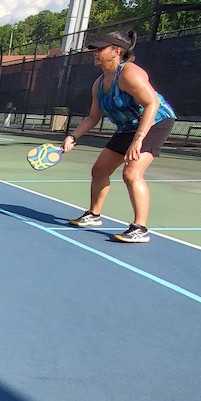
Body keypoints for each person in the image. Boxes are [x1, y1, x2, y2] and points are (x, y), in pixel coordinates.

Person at [61, 29, 176, 243]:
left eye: (100, 49)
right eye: (94, 49)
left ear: (116, 50)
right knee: (99, 170)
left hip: (155, 122)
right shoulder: (99, 83)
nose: (94, 53)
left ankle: (139, 228)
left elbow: (152, 103)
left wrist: (138, 140)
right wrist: (73, 137)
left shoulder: (130, 73)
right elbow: (94, 116)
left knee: (131, 173)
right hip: (127, 126)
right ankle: (94, 215)